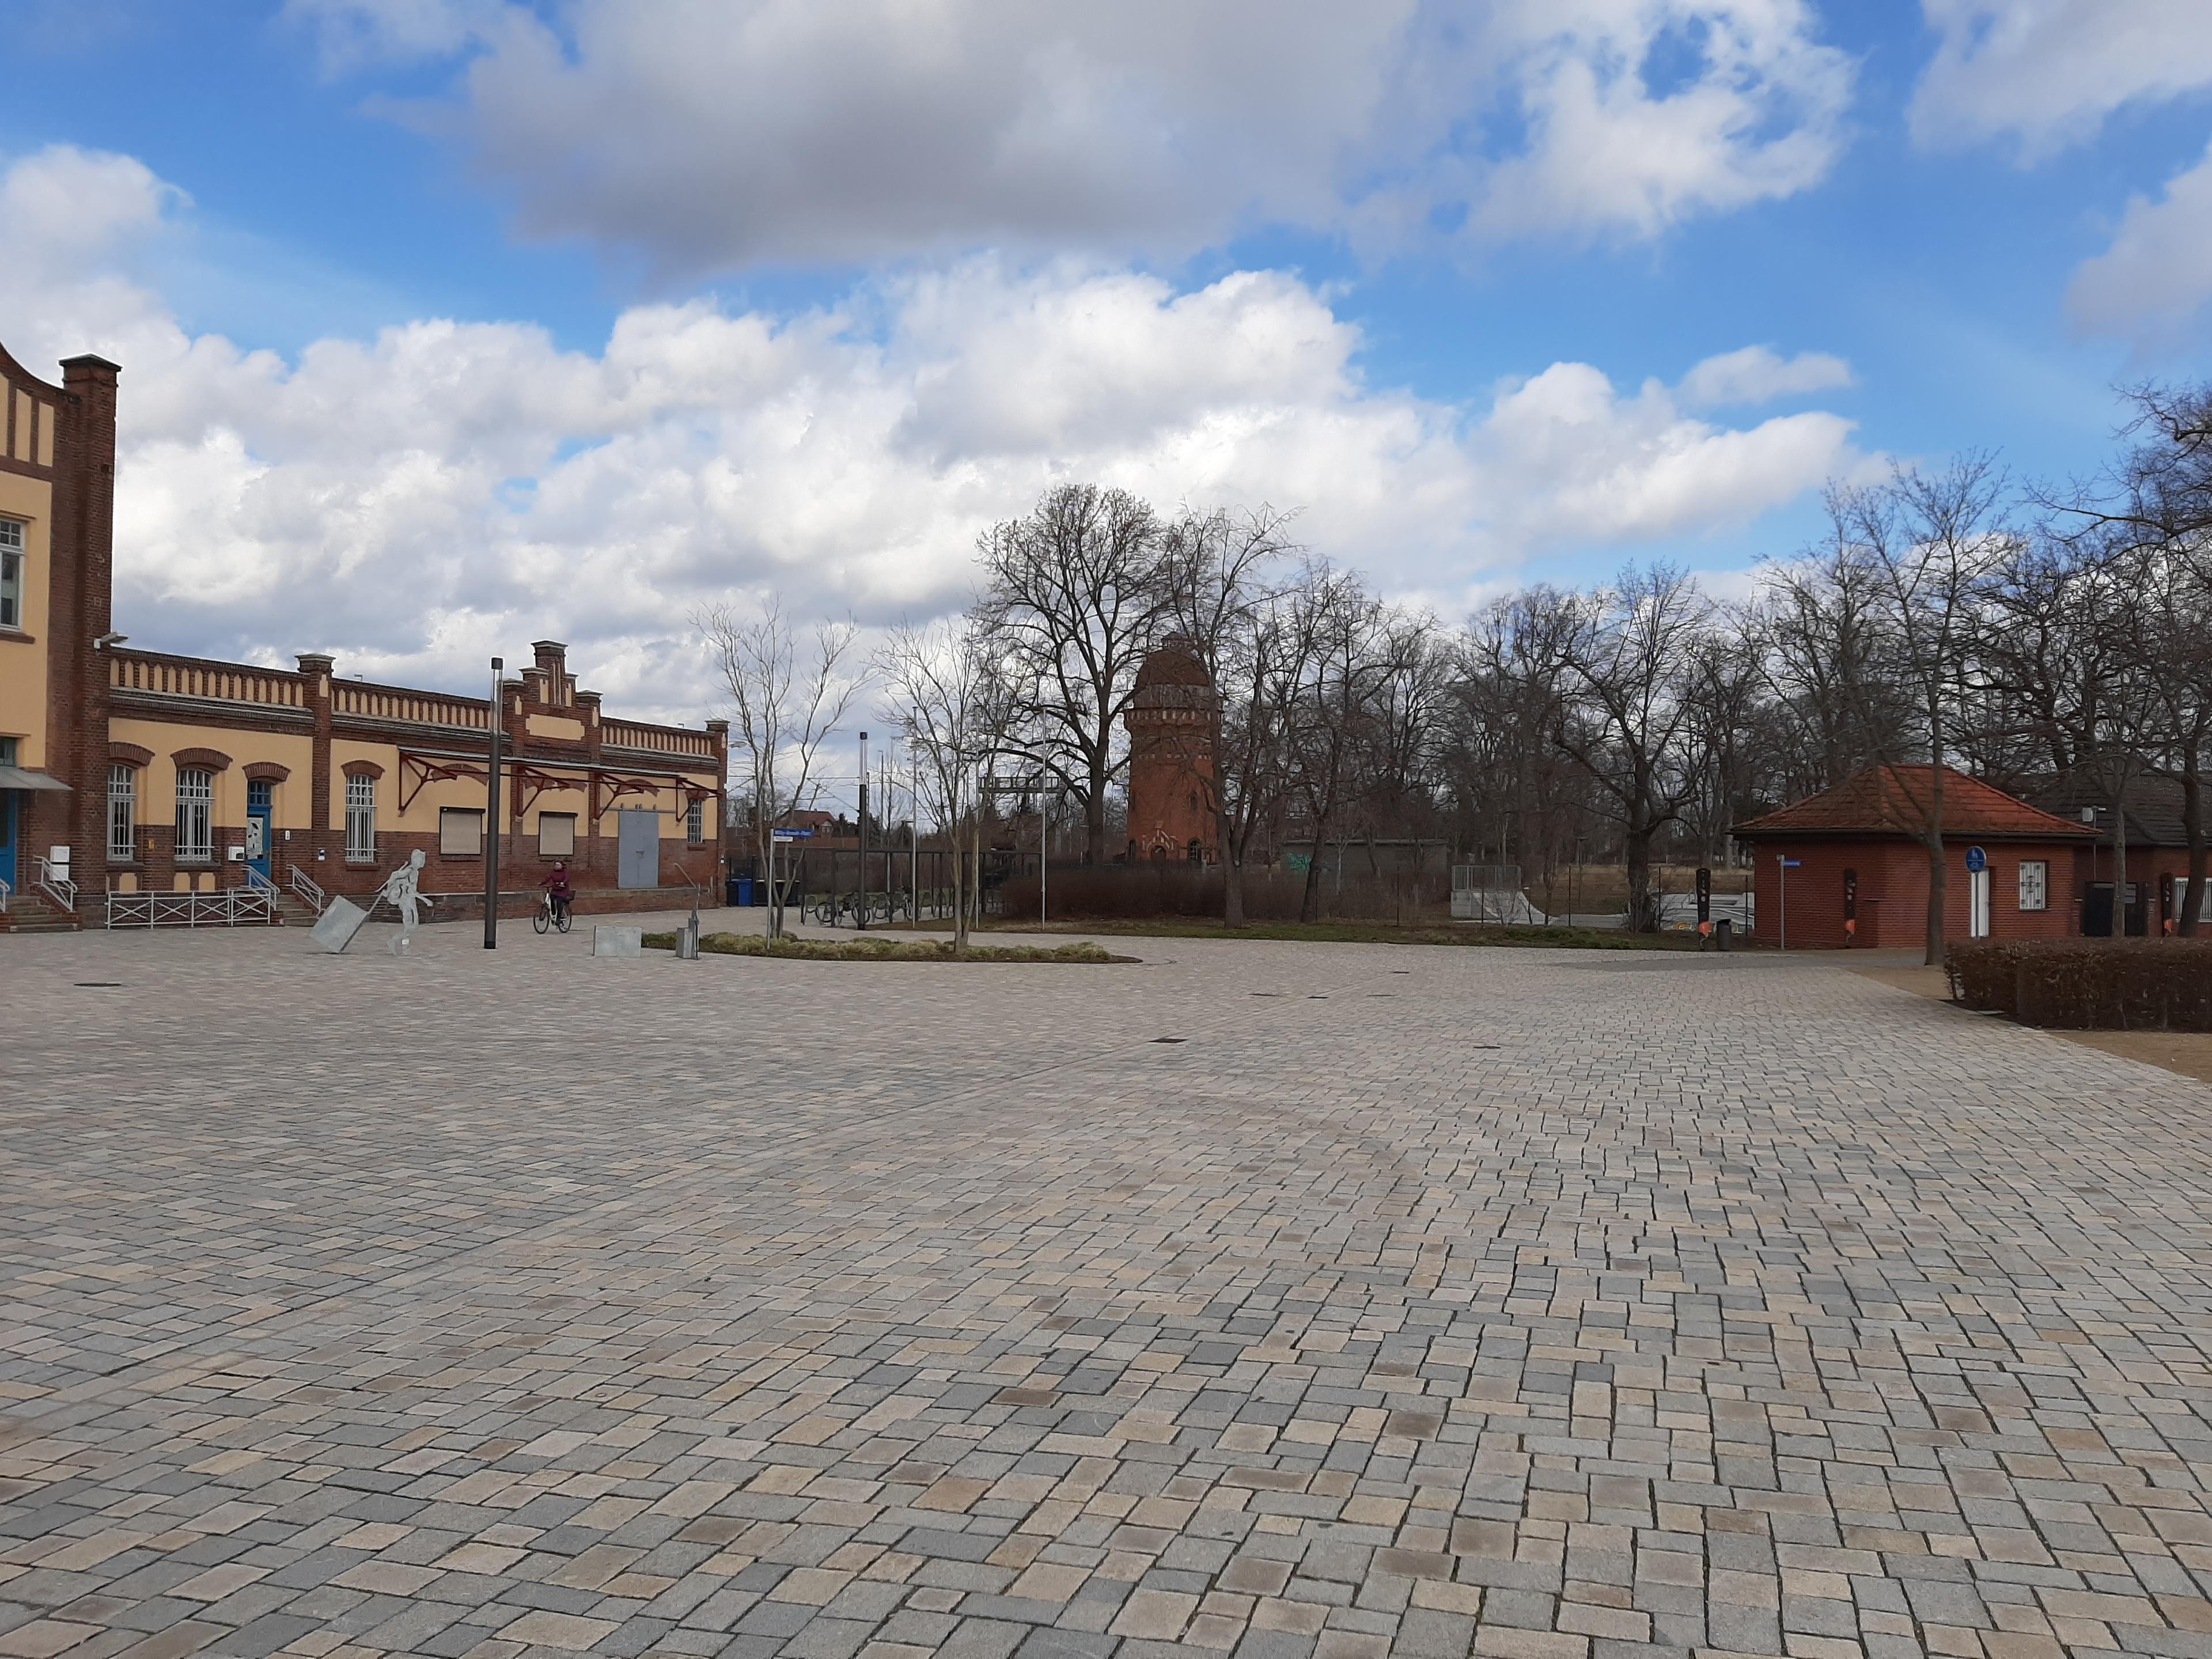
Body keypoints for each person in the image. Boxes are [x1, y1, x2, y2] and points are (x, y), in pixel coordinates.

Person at [541, 860, 575, 925]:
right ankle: (553, 913)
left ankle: (559, 918)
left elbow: (567, 878)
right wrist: (542, 883)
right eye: (556, 865)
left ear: (562, 866)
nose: (556, 866)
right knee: (551, 898)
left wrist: (563, 883)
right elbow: (548, 878)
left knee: (560, 902)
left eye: (558, 865)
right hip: (555, 890)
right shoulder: (553, 873)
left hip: (563, 890)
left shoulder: (565, 872)